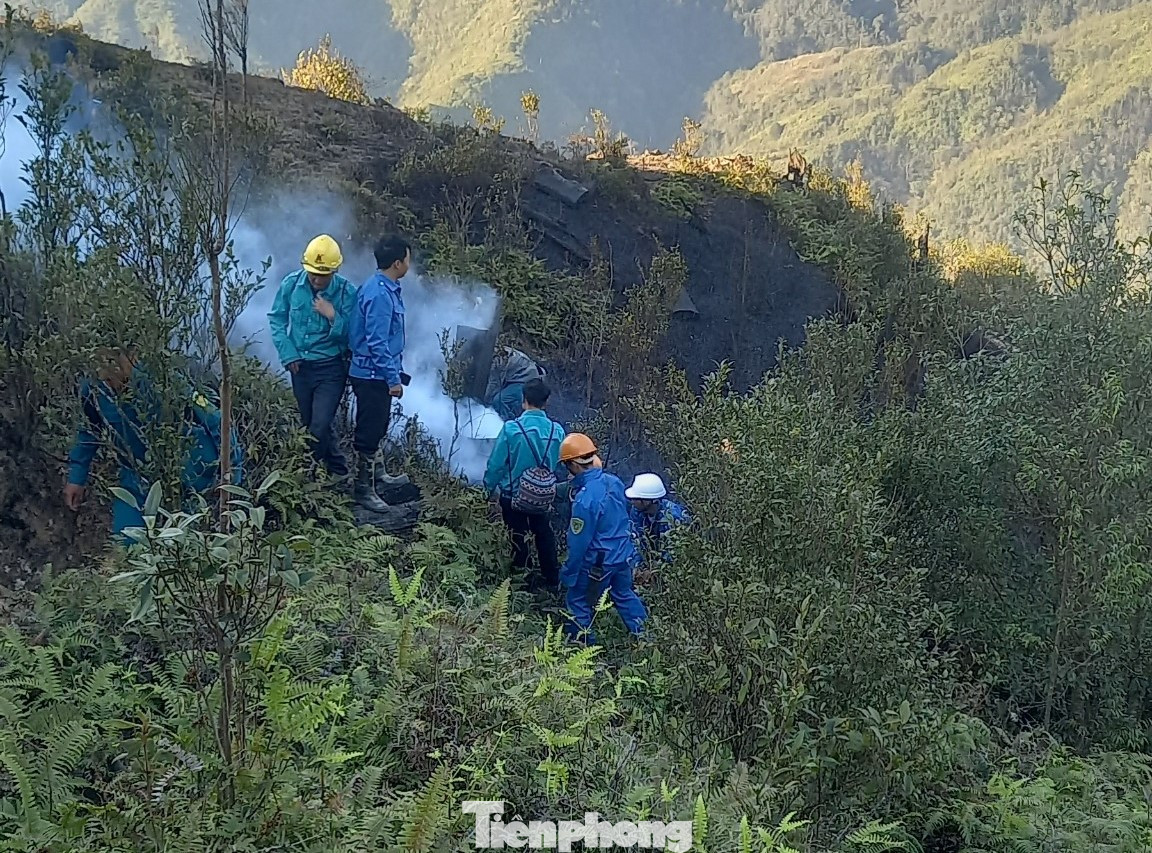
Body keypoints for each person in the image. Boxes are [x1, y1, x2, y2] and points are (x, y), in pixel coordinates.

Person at [63, 345, 244, 542]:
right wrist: (77, 476)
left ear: (132, 357)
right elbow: (89, 429)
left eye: (112, 362)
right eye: (100, 363)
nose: (105, 371)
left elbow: (216, 420)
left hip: (185, 478)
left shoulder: (162, 378)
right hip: (136, 478)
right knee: (127, 546)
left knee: (183, 545)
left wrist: (231, 474)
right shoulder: (94, 389)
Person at [267, 234, 357, 481]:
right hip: (301, 368)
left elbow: (354, 334)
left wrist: (333, 316)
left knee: (319, 424)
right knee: (310, 423)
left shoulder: (347, 292)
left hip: (330, 368)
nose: (316, 279)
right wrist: (288, 354)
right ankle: (338, 470)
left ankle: (309, 476)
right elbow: (276, 319)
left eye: (323, 274)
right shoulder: (291, 284)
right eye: (312, 273)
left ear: (334, 271)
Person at [558, 433, 647, 645]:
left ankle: (585, 649)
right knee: (624, 594)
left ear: (573, 465)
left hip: (598, 564)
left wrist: (569, 572)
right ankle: (647, 638)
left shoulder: (584, 499)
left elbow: (579, 543)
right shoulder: (613, 482)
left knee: (578, 601)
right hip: (623, 555)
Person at [482, 378, 566, 591]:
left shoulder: (511, 429)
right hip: (543, 494)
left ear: (524, 400)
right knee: (544, 534)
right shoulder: (557, 431)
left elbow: (496, 465)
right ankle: (552, 579)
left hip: (513, 495)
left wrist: (487, 489)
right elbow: (559, 463)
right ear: (546, 402)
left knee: (517, 536)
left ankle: (522, 582)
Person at [348, 235, 410, 512]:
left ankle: (378, 473)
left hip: (376, 371)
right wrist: (392, 379)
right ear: (397, 263)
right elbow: (377, 342)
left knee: (379, 424)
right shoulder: (379, 295)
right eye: (407, 258)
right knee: (370, 430)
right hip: (372, 374)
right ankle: (363, 488)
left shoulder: (384, 288)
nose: (409, 263)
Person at [625, 473, 691, 570]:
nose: (632, 502)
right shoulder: (637, 512)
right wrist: (639, 567)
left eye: (635, 499)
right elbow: (635, 541)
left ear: (648, 501)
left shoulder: (673, 517)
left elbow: (675, 552)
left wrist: (655, 570)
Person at [485, 346, 546, 422]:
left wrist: (485, 402)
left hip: (527, 380)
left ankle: (506, 424)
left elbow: (495, 383)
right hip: (521, 378)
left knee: (500, 401)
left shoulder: (496, 359)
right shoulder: (496, 351)